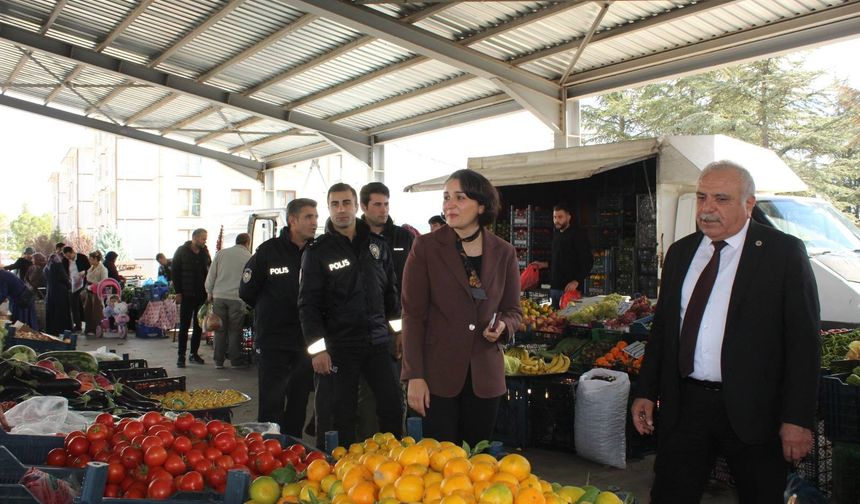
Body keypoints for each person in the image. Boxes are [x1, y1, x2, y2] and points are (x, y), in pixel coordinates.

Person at [631, 161, 820, 503]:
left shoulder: (782, 254)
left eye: (721, 199)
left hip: (754, 410)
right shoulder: (680, 253)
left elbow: (804, 345)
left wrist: (797, 419)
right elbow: (662, 332)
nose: (707, 209)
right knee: (669, 495)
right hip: (685, 406)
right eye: (702, 197)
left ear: (749, 204)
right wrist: (646, 390)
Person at [401, 169, 522, 446]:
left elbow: (514, 311)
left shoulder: (504, 252)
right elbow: (413, 316)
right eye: (446, 197)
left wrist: (503, 326)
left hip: (485, 378)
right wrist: (414, 376)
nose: (449, 205)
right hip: (437, 377)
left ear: (481, 205)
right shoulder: (425, 248)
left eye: (460, 197)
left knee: (476, 461)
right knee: (439, 461)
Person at [299, 182, 404, 447]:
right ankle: (335, 466)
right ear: (329, 209)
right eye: (335, 204)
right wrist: (318, 351)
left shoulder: (377, 245)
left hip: (378, 344)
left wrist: (398, 332)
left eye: (346, 203)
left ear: (357, 206)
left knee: (392, 406)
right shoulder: (317, 251)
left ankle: (394, 462)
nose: (341, 209)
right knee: (337, 416)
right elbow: (308, 305)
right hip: (339, 348)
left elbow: (390, 294)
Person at [240, 198, 318, 438]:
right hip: (273, 341)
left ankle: (293, 446)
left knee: (299, 400)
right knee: (272, 400)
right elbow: (247, 291)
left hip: (305, 341)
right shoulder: (268, 251)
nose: (315, 222)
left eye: (316, 217)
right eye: (309, 217)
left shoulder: (318, 251)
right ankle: (268, 448)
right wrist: (272, 310)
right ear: (292, 220)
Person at [357, 182, 415, 438]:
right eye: (377, 204)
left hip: (397, 326)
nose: (383, 210)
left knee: (395, 391)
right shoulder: (352, 238)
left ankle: (395, 445)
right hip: (362, 330)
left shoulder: (403, 238)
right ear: (363, 206)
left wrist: (400, 330)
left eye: (386, 204)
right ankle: (366, 445)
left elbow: (413, 283)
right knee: (365, 396)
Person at [205, 233, 252, 369]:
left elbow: (211, 275)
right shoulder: (249, 257)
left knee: (219, 330)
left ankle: (218, 362)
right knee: (235, 331)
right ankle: (235, 361)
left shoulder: (221, 254)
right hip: (237, 298)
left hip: (219, 297)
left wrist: (209, 292)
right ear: (247, 243)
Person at [535, 203, 593, 308]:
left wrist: (576, 281)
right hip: (554, 288)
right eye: (554, 217)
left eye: (560, 217)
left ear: (568, 217)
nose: (556, 220)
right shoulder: (556, 235)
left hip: (570, 290)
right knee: (554, 317)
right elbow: (557, 259)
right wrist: (543, 264)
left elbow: (588, 261)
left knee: (568, 316)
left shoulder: (578, 235)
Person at [172, 229, 211, 368]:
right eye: (203, 238)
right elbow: (175, 272)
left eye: (205, 238)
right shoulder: (181, 251)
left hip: (201, 295)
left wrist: (209, 292)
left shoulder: (205, 252)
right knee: (184, 326)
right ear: (194, 238)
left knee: (198, 326)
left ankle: (194, 353)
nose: (205, 241)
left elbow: (209, 271)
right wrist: (178, 292)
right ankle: (181, 356)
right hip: (186, 295)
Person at [44, 252, 72, 335]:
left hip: (50, 291)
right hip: (60, 292)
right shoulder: (58, 265)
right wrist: (69, 285)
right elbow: (64, 278)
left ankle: (52, 329)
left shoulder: (46, 267)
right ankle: (62, 329)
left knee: (52, 310)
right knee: (61, 311)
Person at [62, 246, 89, 332]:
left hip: (82, 283)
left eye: (69, 256)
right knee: (74, 305)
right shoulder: (65, 260)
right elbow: (64, 271)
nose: (68, 258)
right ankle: (78, 324)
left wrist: (84, 272)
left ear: (72, 252)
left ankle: (80, 324)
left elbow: (89, 269)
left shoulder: (82, 257)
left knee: (76, 304)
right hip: (71, 284)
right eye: (66, 256)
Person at [82, 251, 108, 335]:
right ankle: (88, 329)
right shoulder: (91, 268)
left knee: (96, 311)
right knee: (87, 310)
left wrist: (94, 285)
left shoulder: (103, 269)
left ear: (96, 259)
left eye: (91, 259)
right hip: (89, 290)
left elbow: (104, 281)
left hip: (97, 291)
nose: (89, 261)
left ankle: (96, 329)